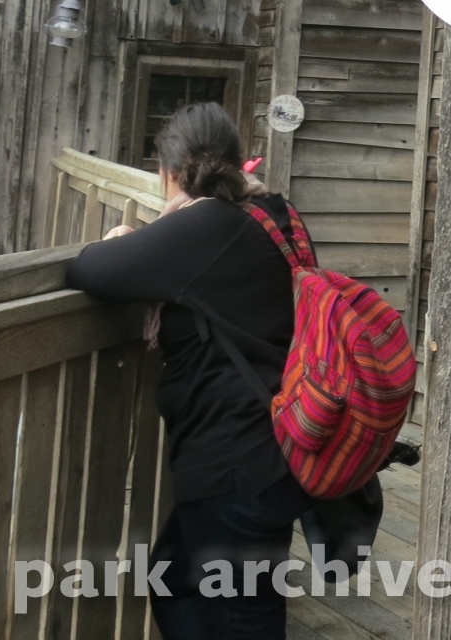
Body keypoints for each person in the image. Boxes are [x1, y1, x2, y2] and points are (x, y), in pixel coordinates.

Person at [65, 104, 381, 640]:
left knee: (240, 614)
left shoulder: (206, 225)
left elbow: (89, 270)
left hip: (237, 460)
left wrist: (119, 238)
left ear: (167, 172)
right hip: (274, 445)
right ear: (236, 161)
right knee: (178, 580)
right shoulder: (273, 212)